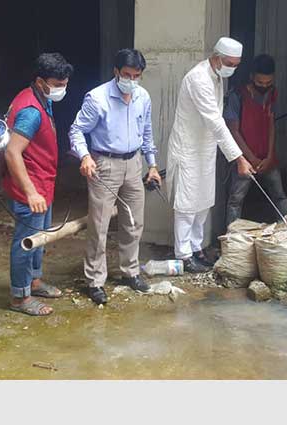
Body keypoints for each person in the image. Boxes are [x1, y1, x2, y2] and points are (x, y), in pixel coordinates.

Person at [69, 49, 161, 305]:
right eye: (127, 75)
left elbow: (147, 133)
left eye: (136, 75)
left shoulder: (143, 96)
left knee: (133, 222)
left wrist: (152, 165)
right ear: (116, 72)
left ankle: (130, 272)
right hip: (104, 163)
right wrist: (85, 157)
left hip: (133, 163)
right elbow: (76, 130)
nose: (131, 80)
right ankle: (95, 281)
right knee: (99, 225)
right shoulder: (98, 98)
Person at [166, 37, 255, 274]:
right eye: (230, 63)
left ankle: (197, 249)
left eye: (236, 64)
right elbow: (216, 123)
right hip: (188, 148)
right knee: (187, 204)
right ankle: (183, 254)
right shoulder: (198, 78)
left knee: (203, 201)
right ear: (216, 57)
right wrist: (239, 158)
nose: (233, 69)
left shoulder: (216, 77)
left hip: (205, 149)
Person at [2, 53, 73, 315]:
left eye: (64, 83)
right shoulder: (31, 111)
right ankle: (20, 297)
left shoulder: (40, 98)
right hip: (30, 188)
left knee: (39, 238)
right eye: (57, 83)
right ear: (41, 81)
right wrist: (30, 192)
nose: (62, 88)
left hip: (42, 183)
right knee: (26, 241)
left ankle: (34, 280)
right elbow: (12, 152)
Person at [224, 54, 287, 225]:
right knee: (236, 200)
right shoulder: (237, 95)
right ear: (252, 77)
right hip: (244, 158)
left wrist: (269, 156)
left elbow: (271, 125)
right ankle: (232, 239)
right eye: (260, 83)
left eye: (268, 83)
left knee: (280, 198)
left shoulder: (272, 94)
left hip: (267, 158)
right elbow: (233, 131)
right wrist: (250, 158)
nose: (264, 86)